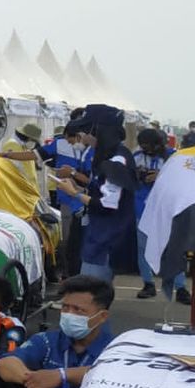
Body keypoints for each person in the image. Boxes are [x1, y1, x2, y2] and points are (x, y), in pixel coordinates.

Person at [57, 105, 136, 283]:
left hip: (107, 240)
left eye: (85, 131)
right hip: (99, 235)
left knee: (89, 295)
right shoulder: (107, 155)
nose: (82, 136)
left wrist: (74, 194)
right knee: (92, 294)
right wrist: (79, 189)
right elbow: (102, 189)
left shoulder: (116, 159)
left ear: (98, 131)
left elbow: (108, 204)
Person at [131, 128, 190, 303]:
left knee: (174, 248)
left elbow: (184, 180)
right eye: (143, 146)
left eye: (149, 146)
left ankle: (180, 287)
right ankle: (148, 283)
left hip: (168, 210)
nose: (146, 149)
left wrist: (161, 176)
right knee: (143, 248)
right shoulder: (137, 156)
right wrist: (138, 175)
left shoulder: (175, 158)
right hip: (142, 208)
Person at [44, 110, 92, 276]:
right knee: (68, 239)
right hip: (67, 198)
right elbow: (38, 155)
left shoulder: (92, 150)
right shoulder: (60, 144)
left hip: (85, 200)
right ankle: (68, 274)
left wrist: (72, 174)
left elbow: (90, 180)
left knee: (82, 240)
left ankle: (81, 274)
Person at [0, 122, 44, 187]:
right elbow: (15, 171)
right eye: (33, 140)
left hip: (29, 188)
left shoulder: (24, 146)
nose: (34, 143)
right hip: (21, 188)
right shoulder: (12, 145)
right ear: (26, 137)